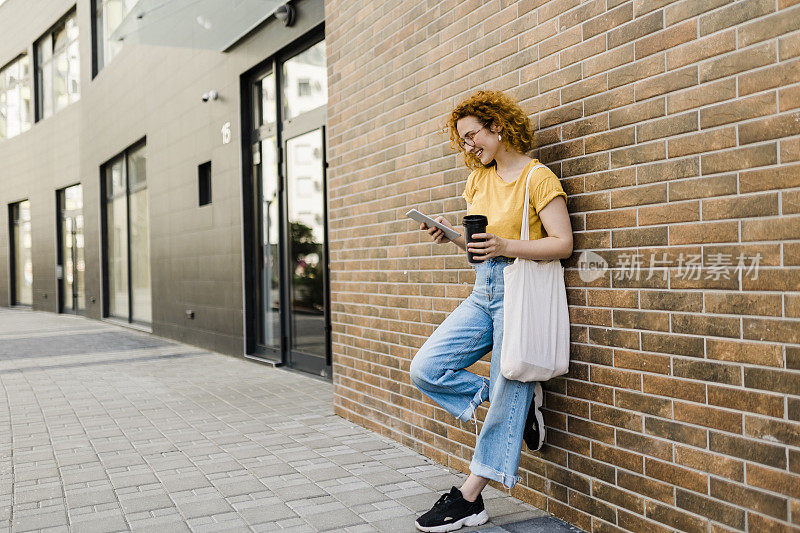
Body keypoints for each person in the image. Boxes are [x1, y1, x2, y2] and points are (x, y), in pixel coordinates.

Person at [409, 90, 573, 533]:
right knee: (426, 368)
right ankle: (516, 401)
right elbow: (481, 247)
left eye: (472, 135)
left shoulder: (537, 178)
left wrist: (505, 246)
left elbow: (563, 243)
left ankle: (469, 497)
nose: (468, 146)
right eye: (462, 140)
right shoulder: (477, 180)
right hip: (484, 289)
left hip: (520, 291)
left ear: (498, 126)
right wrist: (452, 236)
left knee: (508, 384)